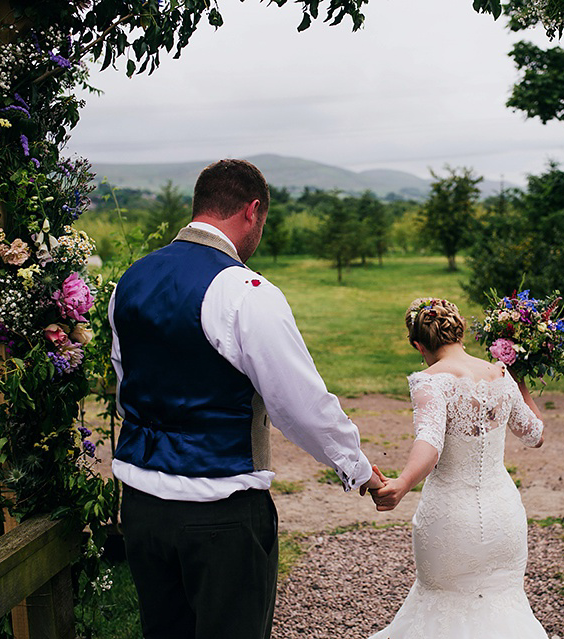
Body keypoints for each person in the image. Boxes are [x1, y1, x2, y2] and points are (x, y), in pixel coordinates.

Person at [108, 158, 383, 639]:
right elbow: (299, 403)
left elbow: (125, 377)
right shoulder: (244, 290)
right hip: (219, 511)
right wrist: (357, 466)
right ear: (252, 211)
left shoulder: (131, 279)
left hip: (141, 506)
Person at [367, 297, 548, 638]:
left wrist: (403, 483)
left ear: (418, 344)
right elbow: (535, 435)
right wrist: (521, 382)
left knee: (441, 606)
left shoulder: (430, 381)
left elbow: (430, 443)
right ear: (460, 333)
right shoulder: (502, 374)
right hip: (503, 518)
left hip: (451, 519)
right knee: (504, 606)